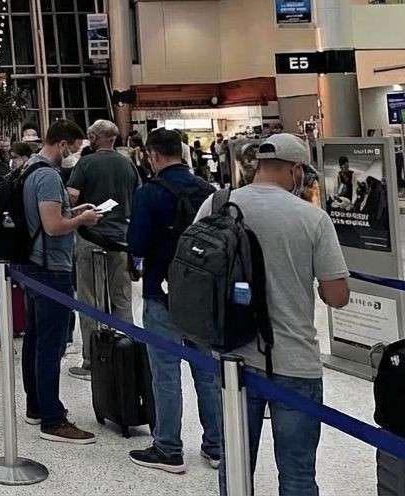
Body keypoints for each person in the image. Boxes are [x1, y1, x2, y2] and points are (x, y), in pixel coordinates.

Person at [198, 134, 349, 496]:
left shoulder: (217, 203)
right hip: (293, 360)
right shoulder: (312, 219)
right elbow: (337, 296)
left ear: (259, 165)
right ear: (296, 170)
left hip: (231, 357)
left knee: (235, 467)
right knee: (297, 473)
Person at [126, 127, 222, 474]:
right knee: (207, 372)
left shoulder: (149, 193)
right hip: (202, 296)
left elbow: (136, 245)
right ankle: (216, 445)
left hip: (161, 291)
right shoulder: (209, 191)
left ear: (151, 156)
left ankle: (168, 447)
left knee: (165, 372)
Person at [19, 119, 100, 445]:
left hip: (32, 263)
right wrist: (82, 219)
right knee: (51, 345)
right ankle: (53, 419)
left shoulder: (29, 169)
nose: (75, 156)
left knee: (36, 339)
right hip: (50, 267)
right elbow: (52, 226)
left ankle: (36, 405)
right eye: (75, 149)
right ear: (63, 143)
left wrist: (73, 208)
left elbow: (46, 216)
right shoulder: (49, 176)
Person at [65, 119, 139, 381]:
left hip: (91, 237)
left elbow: (71, 198)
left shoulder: (85, 164)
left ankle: (91, 359)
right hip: (121, 239)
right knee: (121, 298)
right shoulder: (128, 164)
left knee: (89, 298)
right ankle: (126, 352)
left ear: (94, 137)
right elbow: (136, 196)